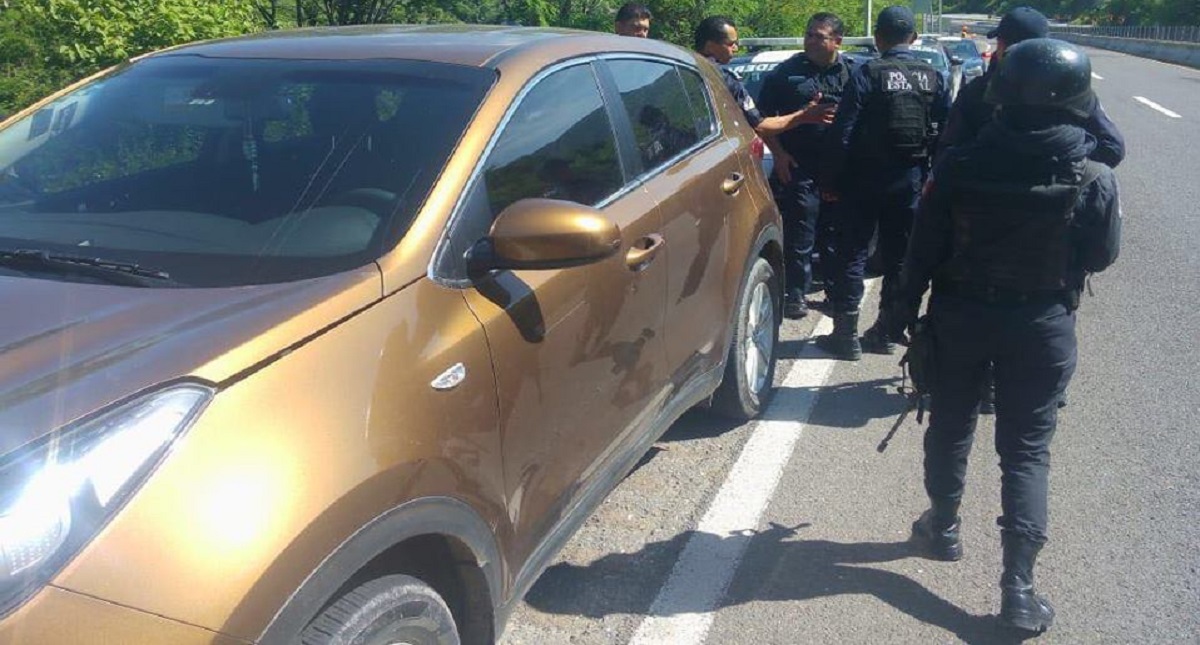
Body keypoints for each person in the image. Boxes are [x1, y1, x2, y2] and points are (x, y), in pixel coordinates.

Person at [896, 38, 1121, 634]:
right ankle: (1018, 588)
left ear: (1001, 94)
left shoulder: (958, 164)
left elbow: (922, 250)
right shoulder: (1093, 175)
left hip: (960, 315)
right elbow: (1100, 256)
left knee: (950, 423)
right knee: (1025, 452)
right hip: (1042, 323)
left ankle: (942, 526)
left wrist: (898, 314)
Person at [815, 5, 951, 360]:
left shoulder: (867, 72)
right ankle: (887, 332)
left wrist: (830, 179)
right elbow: (947, 137)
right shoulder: (934, 76)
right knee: (899, 258)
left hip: (864, 179)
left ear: (877, 38)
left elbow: (843, 131)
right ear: (914, 38)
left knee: (852, 253)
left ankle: (845, 336)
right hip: (911, 180)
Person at [756, 13, 855, 319]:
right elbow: (760, 121)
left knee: (836, 232)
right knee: (800, 232)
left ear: (837, 41)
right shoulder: (785, 73)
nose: (811, 41)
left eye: (819, 36)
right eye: (808, 34)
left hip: (841, 168)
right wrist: (779, 154)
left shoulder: (854, 72)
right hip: (799, 164)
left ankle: (835, 294)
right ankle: (796, 294)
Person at [938, 6, 1125, 168]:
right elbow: (1112, 148)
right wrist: (1064, 168)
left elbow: (946, 154)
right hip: (1059, 193)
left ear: (1002, 46)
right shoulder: (1073, 94)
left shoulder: (976, 91)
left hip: (989, 193)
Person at [693, 17, 836, 148]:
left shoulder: (682, 72)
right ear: (710, 46)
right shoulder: (721, 79)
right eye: (730, 44)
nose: (736, 48)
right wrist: (803, 116)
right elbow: (760, 126)